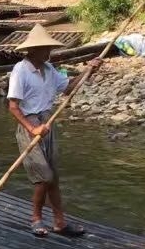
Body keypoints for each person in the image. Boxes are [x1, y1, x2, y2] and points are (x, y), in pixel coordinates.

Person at [6, 24, 100, 237]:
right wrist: (32, 128)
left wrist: (89, 71)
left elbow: (69, 88)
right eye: (44, 48)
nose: (49, 52)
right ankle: (36, 219)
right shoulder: (20, 71)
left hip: (48, 123)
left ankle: (60, 222)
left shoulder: (49, 70)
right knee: (44, 177)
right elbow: (13, 106)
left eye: (49, 48)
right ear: (33, 50)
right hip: (29, 126)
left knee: (54, 178)